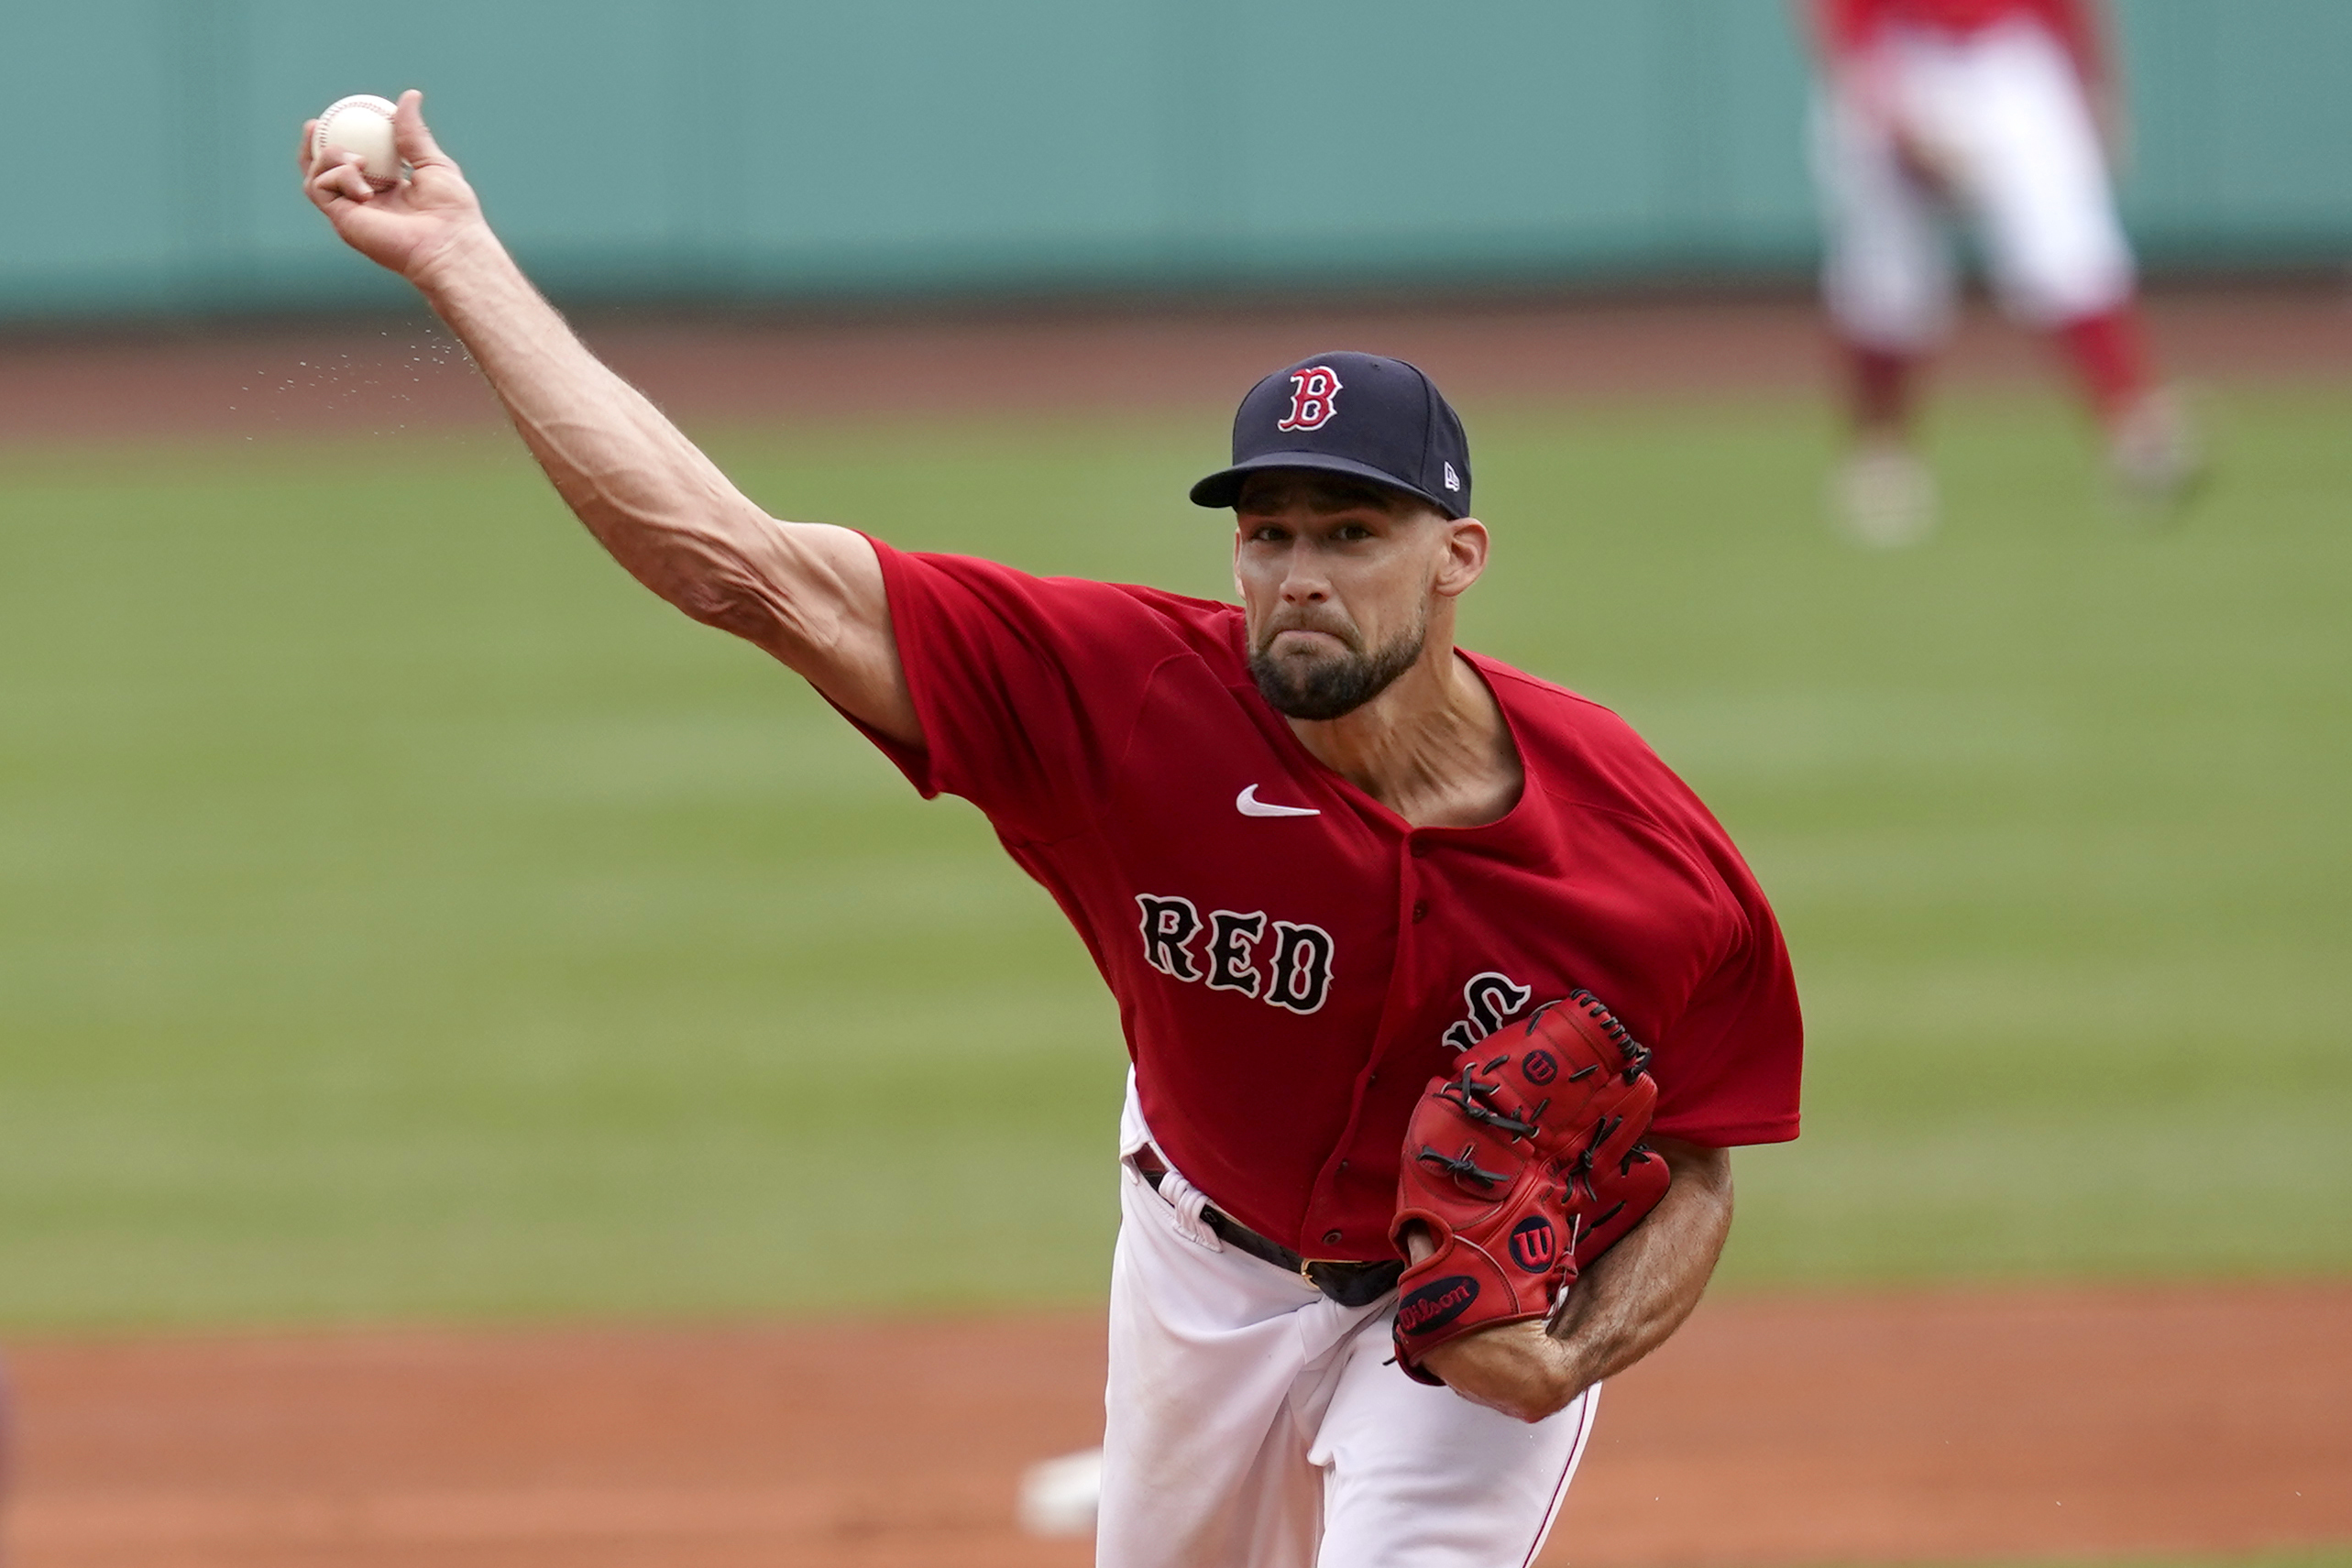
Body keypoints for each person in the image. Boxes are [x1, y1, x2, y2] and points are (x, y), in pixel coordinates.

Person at [300, 94, 1803, 1567]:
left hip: (1454, 1342)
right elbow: (739, 567)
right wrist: (460, 262)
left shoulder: (1640, 849)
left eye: (1352, 534)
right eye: (1268, 532)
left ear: (1459, 555)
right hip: (1196, 1274)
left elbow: (1699, 1159)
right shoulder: (1127, 700)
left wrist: (1568, 1356)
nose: (1300, 575)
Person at [1805, 0, 2202, 544]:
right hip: (1898, 53)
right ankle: (1881, 457)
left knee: (2069, 248)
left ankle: (2136, 434)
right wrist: (1887, 109)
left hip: (2010, 55)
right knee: (1888, 280)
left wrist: (2093, 80)